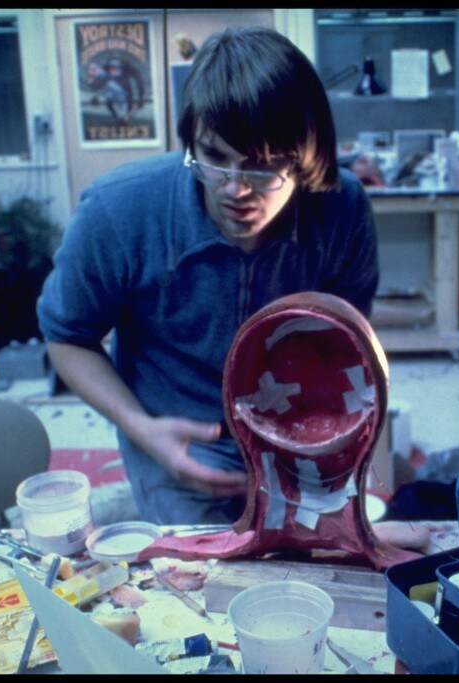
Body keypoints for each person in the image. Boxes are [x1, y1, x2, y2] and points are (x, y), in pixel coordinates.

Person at [37, 26, 380, 525]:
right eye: (214, 158)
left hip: (297, 425)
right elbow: (66, 337)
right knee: (200, 581)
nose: (235, 189)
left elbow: (352, 348)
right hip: (176, 430)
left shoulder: (343, 207)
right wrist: (141, 429)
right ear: (191, 140)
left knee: (317, 566)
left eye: (263, 167)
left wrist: (350, 451)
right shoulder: (118, 210)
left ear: (306, 156)